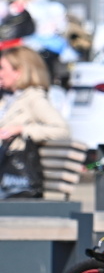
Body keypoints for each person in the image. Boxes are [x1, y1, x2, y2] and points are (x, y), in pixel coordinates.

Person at [0, 46, 70, 199]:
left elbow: (62, 130)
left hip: (13, 173)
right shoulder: (7, 99)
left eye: (2, 68)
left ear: (19, 72)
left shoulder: (34, 98)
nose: (0, 74)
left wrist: (21, 129)